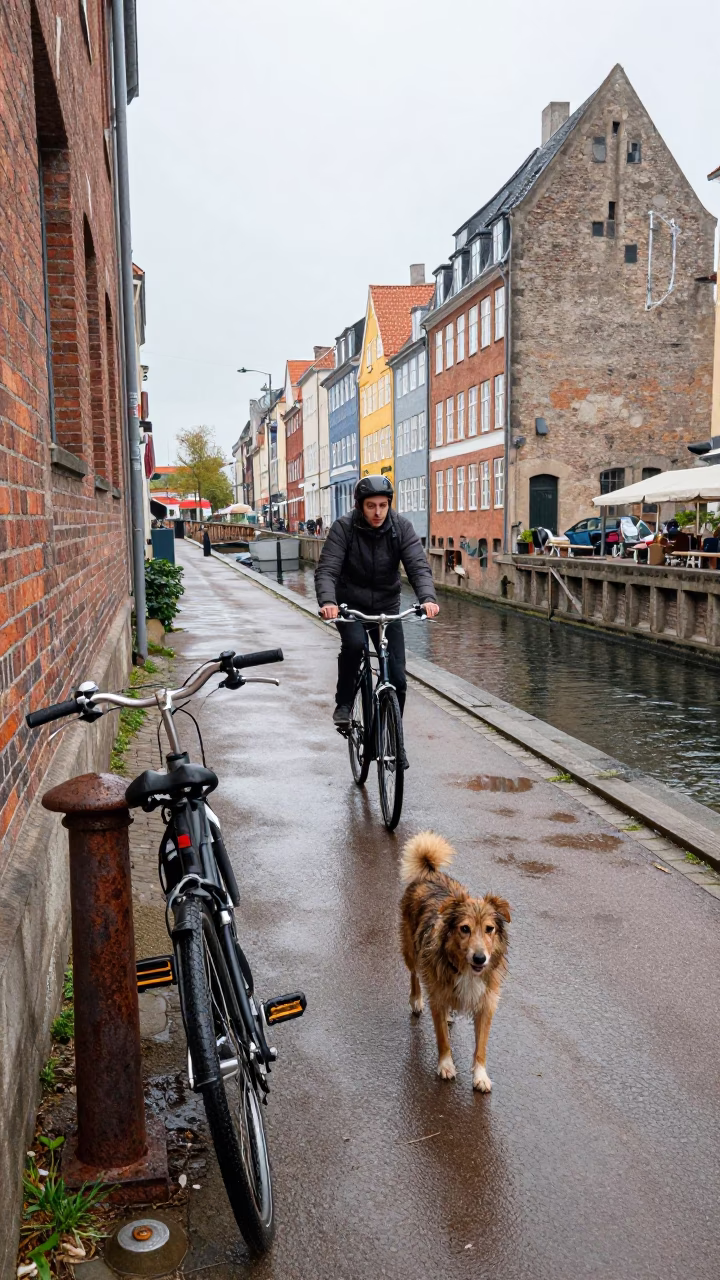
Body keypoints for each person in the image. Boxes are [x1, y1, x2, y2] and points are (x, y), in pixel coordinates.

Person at [315, 475, 439, 733]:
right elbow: (327, 569)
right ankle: (345, 703)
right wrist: (329, 601)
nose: (378, 512)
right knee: (354, 645)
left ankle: (392, 736)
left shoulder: (401, 527)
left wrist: (427, 598)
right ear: (360, 505)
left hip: (386, 605)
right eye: (371, 506)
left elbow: (417, 566)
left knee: (397, 677)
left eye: (383, 505)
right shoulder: (344, 528)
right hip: (351, 606)